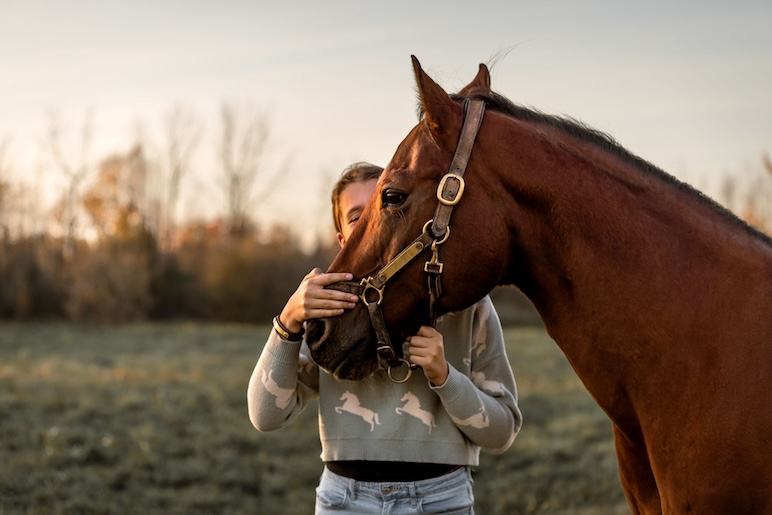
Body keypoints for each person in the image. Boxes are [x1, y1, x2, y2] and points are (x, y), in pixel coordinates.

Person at [248, 162, 522, 514]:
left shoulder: (465, 302)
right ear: (343, 239)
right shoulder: (327, 310)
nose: (370, 224)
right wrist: (288, 322)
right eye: (356, 217)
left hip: (440, 500)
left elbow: (502, 433)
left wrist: (445, 376)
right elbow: (265, 416)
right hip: (344, 501)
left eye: (382, 209)